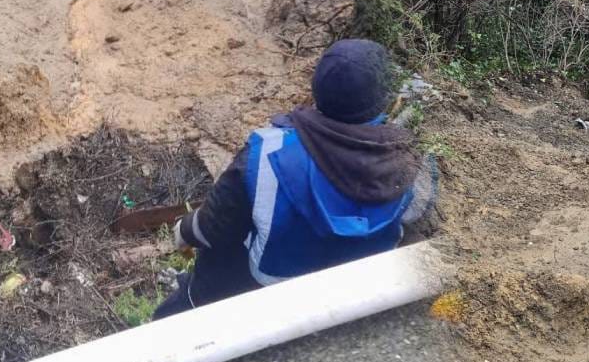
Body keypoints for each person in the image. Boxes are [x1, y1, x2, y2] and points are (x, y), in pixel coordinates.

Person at [154, 39, 437, 319]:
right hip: (356, 289)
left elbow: (212, 227)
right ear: (384, 101)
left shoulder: (268, 153)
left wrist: (184, 232)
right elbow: (416, 212)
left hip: (269, 287)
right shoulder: (414, 161)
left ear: (316, 90)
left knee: (187, 298)